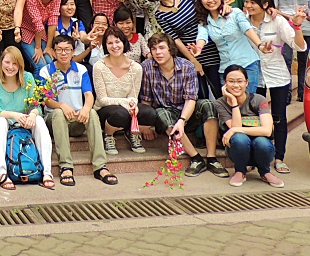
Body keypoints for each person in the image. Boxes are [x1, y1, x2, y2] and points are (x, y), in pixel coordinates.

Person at [141, 32, 228, 178]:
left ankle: (212, 158)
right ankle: (196, 158)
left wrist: (182, 120)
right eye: (154, 49)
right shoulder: (147, 67)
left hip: (186, 112)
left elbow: (190, 99)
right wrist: (146, 125)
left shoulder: (187, 66)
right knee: (162, 113)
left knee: (208, 105)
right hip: (165, 115)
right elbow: (146, 98)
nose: (158, 52)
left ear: (170, 49)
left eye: (162, 48)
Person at [41, 35, 117, 187]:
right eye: (59, 50)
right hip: (53, 120)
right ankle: (66, 167)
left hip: (76, 119)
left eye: (67, 50)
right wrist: (61, 105)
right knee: (58, 113)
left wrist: (86, 108)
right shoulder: (46, 71)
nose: (63, 53)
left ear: (73, 51)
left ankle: (100, 166)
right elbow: (46, 100)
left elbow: (89, 95)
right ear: (54, 52)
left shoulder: (81, 69)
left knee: (92, 113)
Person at [243, 0, 305, 173]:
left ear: (264, 4)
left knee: (279, 117)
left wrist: (297, 26)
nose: (248, 6)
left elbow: (299, 46)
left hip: (277, 75)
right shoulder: (243, 21)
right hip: (253, 77)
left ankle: (279, 158)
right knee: (252, 118)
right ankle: (255, 157)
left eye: (252, 2)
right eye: (246, 2)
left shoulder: (277, 21)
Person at [0, 46, 55, 190]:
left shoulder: (28, 77)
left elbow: (35, 105)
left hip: (24, 123)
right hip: (4, 121)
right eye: (7, 62)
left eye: (15, 64)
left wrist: (32, 115)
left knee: (39, 121)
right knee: (0, 122)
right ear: (1, 62)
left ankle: (47, 172)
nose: (10, 67)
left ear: (20, 65)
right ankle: (1, 173)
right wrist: (14, 115)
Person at [147, 0, 222, 99]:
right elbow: (175, 39)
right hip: (189, 53)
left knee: (219, 89)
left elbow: (205, 13)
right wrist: (193, 61)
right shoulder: (159, 14)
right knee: (201, 95)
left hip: (210, 48)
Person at [215, 65, 282, 188]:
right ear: (225, 83)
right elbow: (235, 129)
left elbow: (267, 131)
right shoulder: (220, 103)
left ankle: (265, 172)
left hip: (262, 148)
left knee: (261, 141)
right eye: (231, 81)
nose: (236, 85)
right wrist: (234, 102)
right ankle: (240, 171)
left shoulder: (259, 100)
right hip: (238, 148)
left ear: (246, 82)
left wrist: (235, 129)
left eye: (240, 81)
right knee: (239, 138)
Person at [92, 27, 156, 155]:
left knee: (150, 113)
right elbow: (102, 99)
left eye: (117, 41)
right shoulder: (99, 66)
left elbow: (133, 95)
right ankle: (108, 135)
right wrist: (126, 103)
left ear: (124, 43)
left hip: (125, 107)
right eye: (110, 43)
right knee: (120, 114)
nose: (114, 46)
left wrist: (132, 104)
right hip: (104, 109)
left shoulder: (136, 68)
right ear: (105, 45)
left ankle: (131, 132)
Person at [194, 0, 265, 95]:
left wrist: (260, 45)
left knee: (247, 101)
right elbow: (202, 36)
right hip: (226, 69)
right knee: (230, 102)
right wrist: (198, 49)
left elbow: (247, 29)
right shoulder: (204, 21)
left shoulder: (234, 13)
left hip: (247, 64)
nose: (210, 0)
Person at [272, 0, 310, 101]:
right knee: (286, 60)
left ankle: (302, 93)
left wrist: (305, 15)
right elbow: (274, 9)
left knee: (304, 62)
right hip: (285, 30)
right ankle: (286, 95)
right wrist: (290, 17)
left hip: (305, 29)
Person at [14, 0, 61, 74]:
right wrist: (38, 47)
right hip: (25, 29)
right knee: (40, 65)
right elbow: (37, 23)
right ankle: (37, 85)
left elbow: (53, 21)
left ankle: (53, 85)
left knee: (51, 63)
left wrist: (48, 47)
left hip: (41, 32)